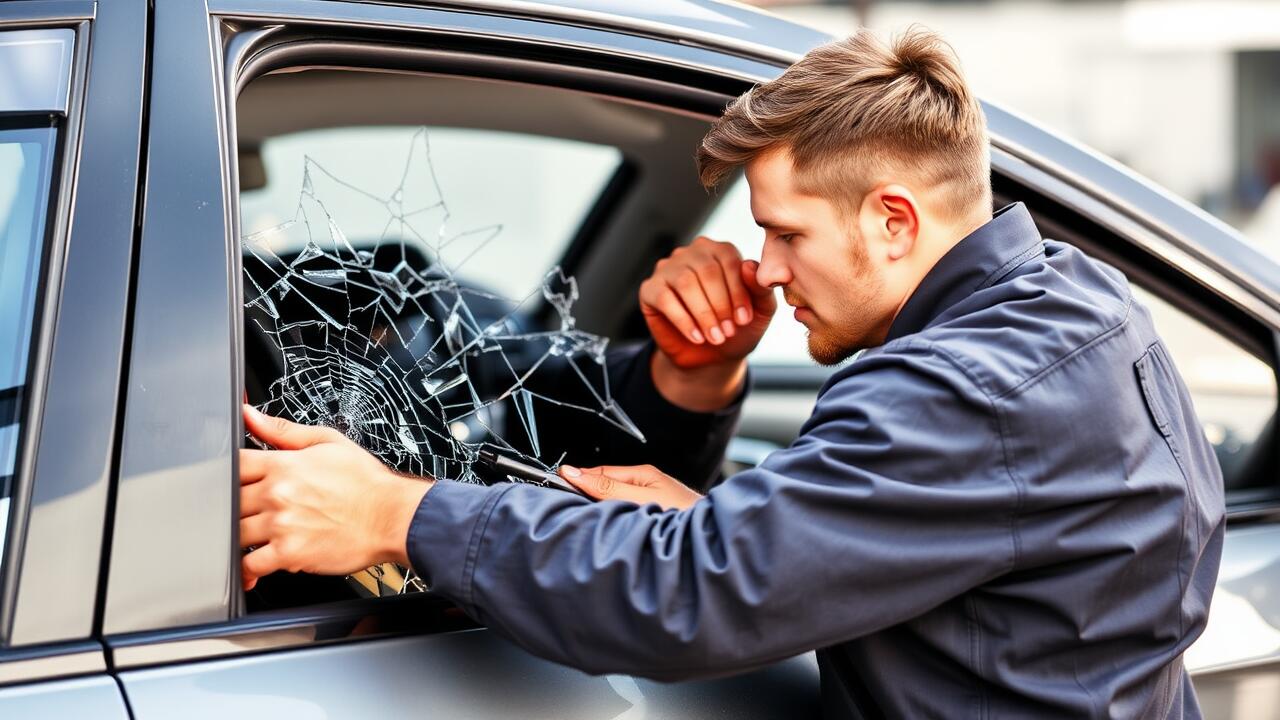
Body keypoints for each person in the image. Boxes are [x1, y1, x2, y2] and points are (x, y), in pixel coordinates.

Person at [238, 28, 1223, 718]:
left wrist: (392, 514)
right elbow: (935, 537)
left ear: (892, 219)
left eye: (786, 232)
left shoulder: (964, 390)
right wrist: (720, 518)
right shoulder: (1076, 306)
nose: (764, 268)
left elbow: (689, 602)